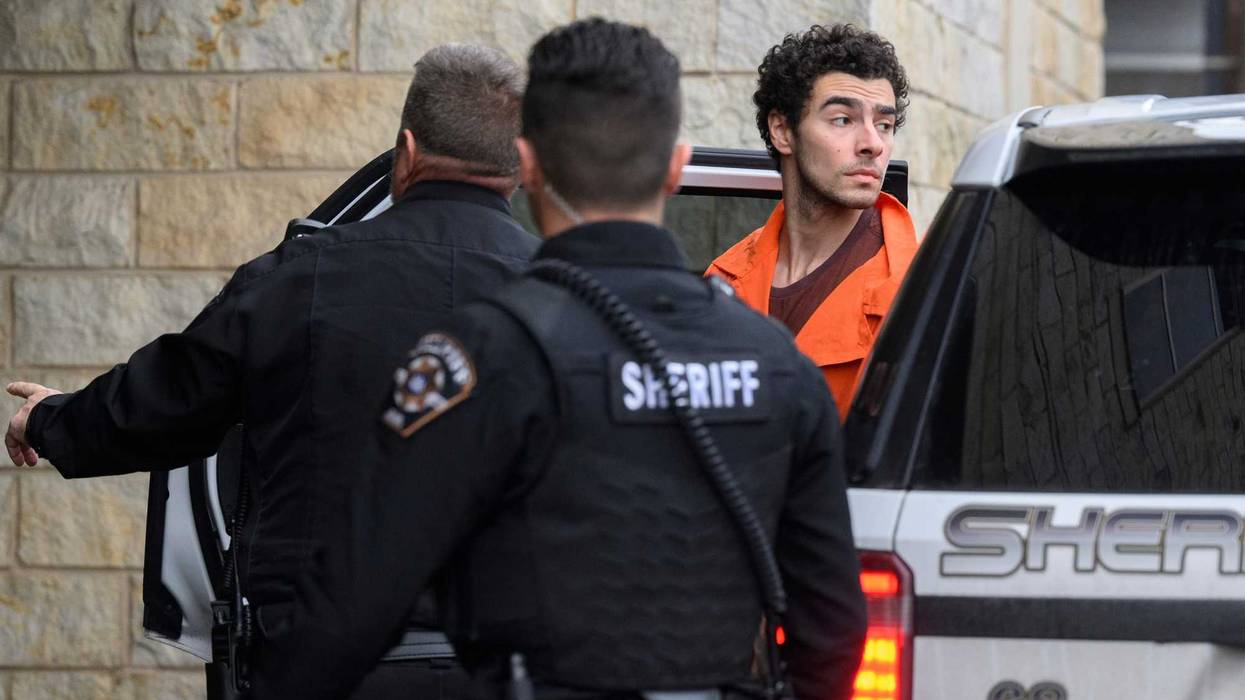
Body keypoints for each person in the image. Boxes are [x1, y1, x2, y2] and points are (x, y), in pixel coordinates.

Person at [248, 18, 867, 700]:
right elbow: (832, 626)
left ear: (529, 163)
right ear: (673, 165)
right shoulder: (776, 363)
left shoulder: (480, 355)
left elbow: (351, 606)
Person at [4, 43, 537, 699]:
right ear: (520, 166)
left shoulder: (298, 277)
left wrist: (51, 419)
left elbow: (165, 404)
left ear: (405, 151)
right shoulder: (569, 294)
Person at [706, 24, 918, 419]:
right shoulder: (723, 282)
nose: (873, 143)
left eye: (884, 124)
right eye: (843, 119)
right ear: (783, 130)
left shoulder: (920, 294)